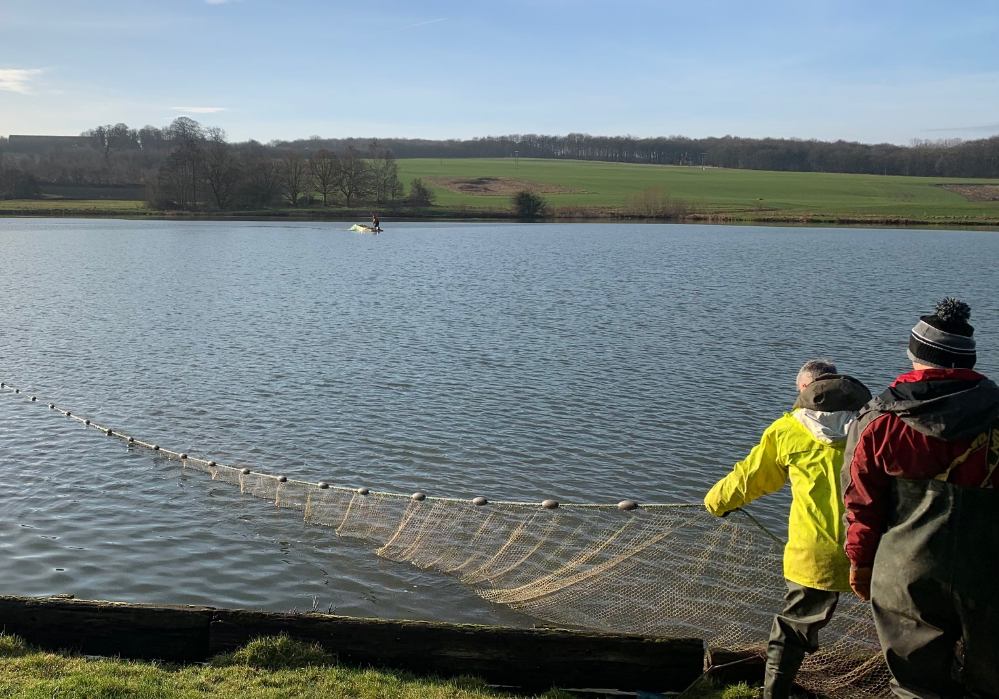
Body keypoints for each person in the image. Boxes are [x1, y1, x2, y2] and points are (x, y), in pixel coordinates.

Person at [843, 298, 999, 698]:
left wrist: (860, 564)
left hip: (905, 573)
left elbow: (861, 503)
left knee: (915, 687)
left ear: (916, 355)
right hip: (989, 573)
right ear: (968, 361)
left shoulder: (879, 420)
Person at [704, 360, 871, 699]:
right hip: (874, 546)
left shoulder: (787, 430)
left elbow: (750, 477)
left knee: (791, 631)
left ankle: (774, 695)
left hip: (814, 554)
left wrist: (715, 502)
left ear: (804, 391)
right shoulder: (873, 424)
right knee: (897, 624)